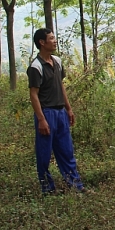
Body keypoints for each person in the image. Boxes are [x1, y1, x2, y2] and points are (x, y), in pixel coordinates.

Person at [27, 28, 88, 195]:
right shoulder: (36, 66)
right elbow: (33, 94)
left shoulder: (57, 62)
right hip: (47, 113)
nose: (55, 41)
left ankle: (75, 186)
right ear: (42, 42)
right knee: (44, 154)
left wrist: (68, 108)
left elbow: (61, 86)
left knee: (66, 151)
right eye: (51, 38)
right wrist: (41, 119)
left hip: (60, 113)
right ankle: (48, 189)